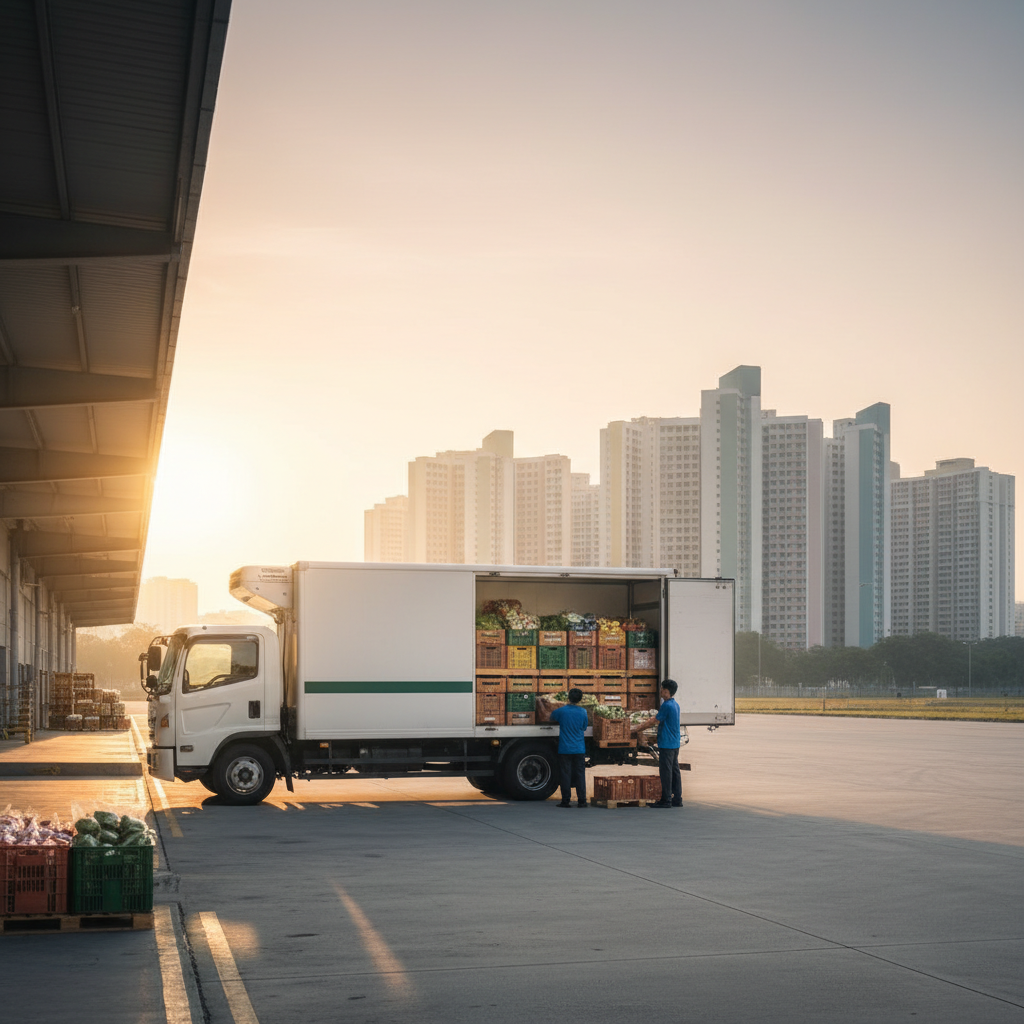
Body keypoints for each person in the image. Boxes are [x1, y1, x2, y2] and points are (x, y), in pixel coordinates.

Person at [630, 679, 682, 808]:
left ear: (666, 691)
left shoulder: (667, 705)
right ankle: (677, 799)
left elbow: (654, 720)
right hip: (674, 743)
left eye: (662, 689)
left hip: (667, 743)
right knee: (675, 771)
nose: (660, 691)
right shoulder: (675, 704)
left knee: (666, 772)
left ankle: (666, 800)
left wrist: (637, 729)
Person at [548, 687, 590, 807]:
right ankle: (582, 801)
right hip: (579, 748)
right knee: (580, 775)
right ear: (580, 699)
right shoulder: (583, 712)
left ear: (568, 698)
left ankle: (566, 801)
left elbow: (551, 717)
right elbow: (584, 727)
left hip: (565, 748)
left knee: (565, 775)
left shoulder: (561, 711)